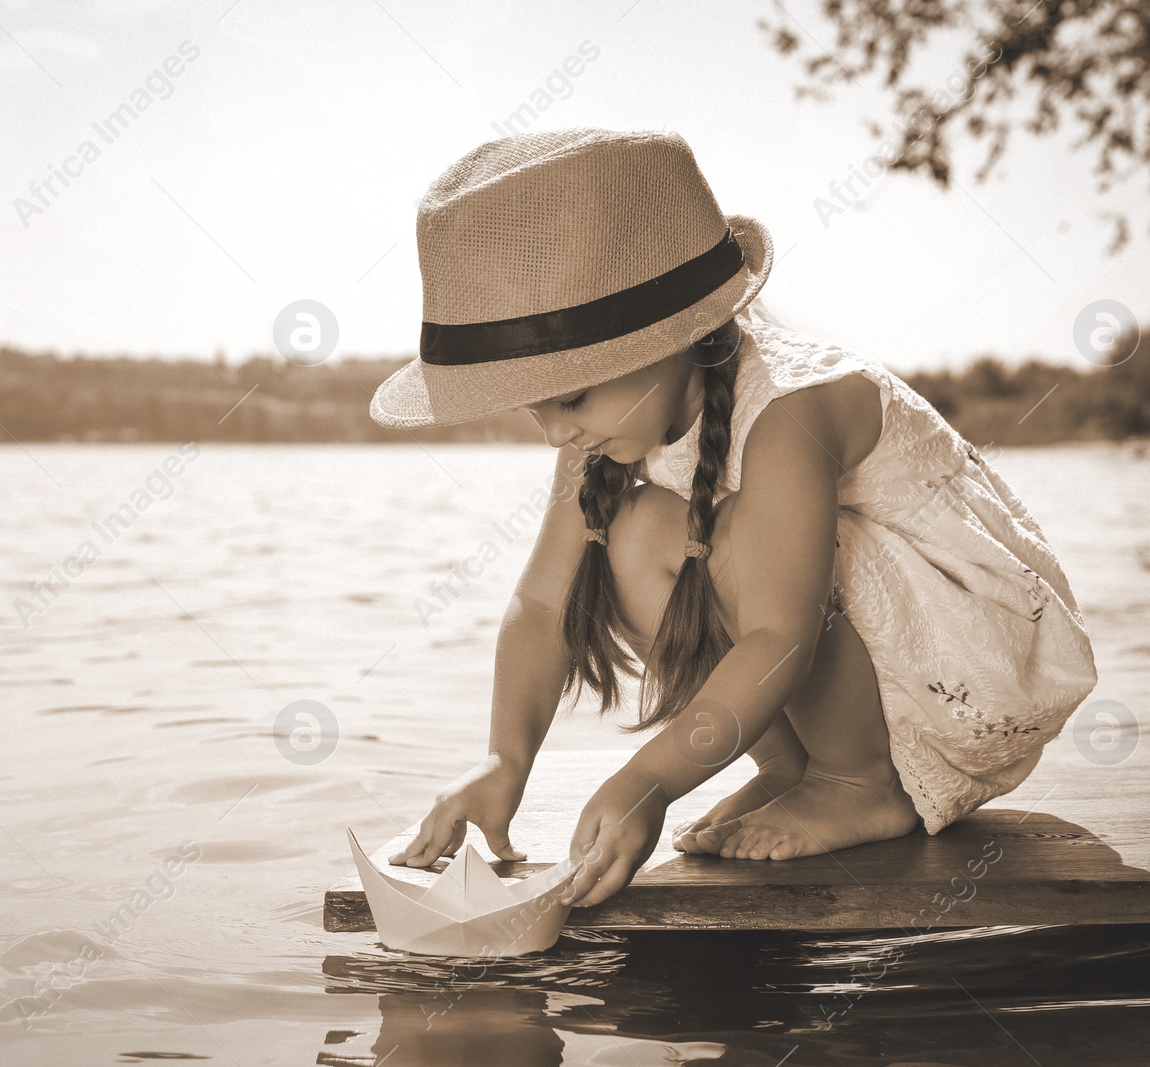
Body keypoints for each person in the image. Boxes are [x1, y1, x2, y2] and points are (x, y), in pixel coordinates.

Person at [368, 128, 1098, 910]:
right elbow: (543, 602)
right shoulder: (609, 439)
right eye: (533, 407)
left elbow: (781, 633)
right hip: (870, 656)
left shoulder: (792, 409)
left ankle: (859, 780)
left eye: (571, 397)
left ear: (672, 337)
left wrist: (649, 781)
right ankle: (796, 766)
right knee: (630, 532)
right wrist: (503, 760)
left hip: (979, 656)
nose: (554, 431)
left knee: (736, 531)